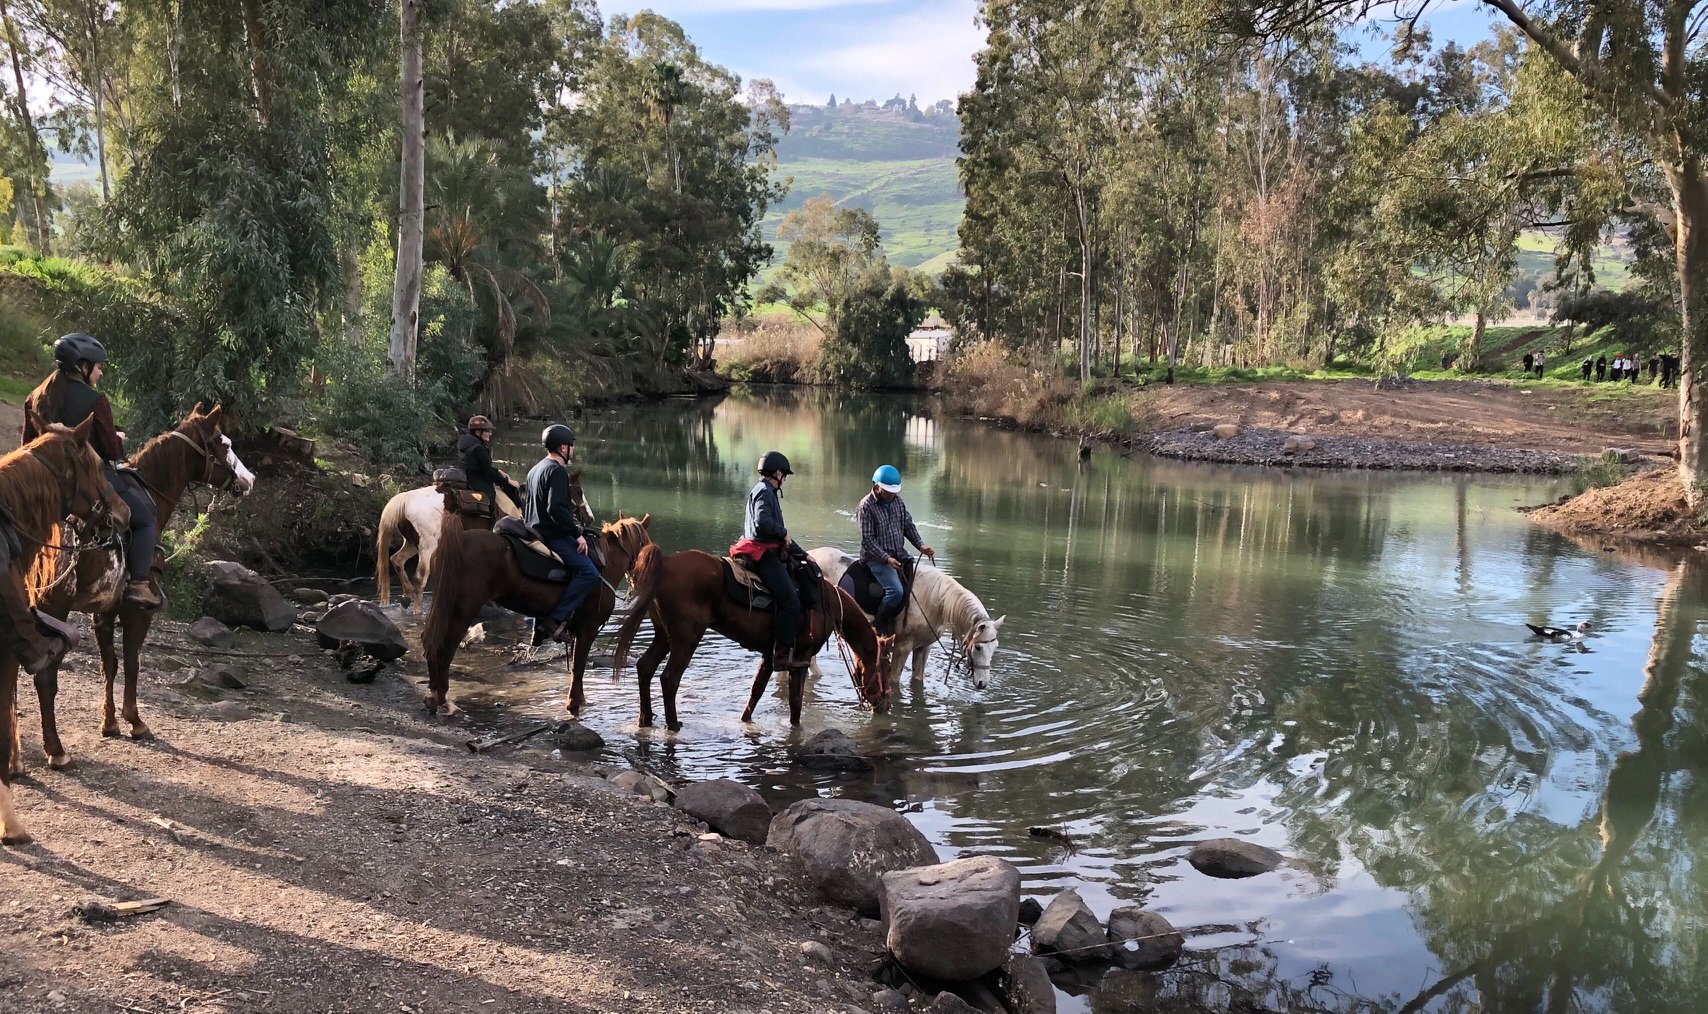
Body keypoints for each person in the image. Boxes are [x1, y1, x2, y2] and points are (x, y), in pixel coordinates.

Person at [21, 333, 159, 609]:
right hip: (88, 480)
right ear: (82, 367)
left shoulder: (35, 396)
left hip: (42, 483)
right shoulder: (96, 401)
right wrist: (118, 438)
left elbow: (26, 446)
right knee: (144, 516)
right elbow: (112, 453)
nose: (101, 370)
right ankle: (139, 584)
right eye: (98, 366)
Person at [522, 424, 599, 642]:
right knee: (589, 573)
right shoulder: (557, 472)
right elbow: (555, 509)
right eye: (571, 446)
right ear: (562, 447)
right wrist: (577, 534)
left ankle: (538, 628)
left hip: (532, 531)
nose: (572, 451)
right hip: (552, 536)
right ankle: (554, 619)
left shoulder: (534, 470)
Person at [730, 451, 803, 668]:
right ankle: (780, 655)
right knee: (791, 602)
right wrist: (782, 532)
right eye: (784, 474)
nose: (785, 479)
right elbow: (762, 522)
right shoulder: (765, 492)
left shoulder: (762, 489)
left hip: (762, 548)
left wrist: (803, 554)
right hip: (762, 553)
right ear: (778, 472)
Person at [857, 465, 935, 636]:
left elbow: (908, 525)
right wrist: (886, 559)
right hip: (875, 559)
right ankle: (879, 625)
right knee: (896, 591)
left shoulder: (897, 502)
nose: (892, 494)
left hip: (898, 554)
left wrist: (921, 546)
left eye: (894, 491)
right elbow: (867, 541)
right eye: (888, 491)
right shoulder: (866, 507)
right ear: (877, 487)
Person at [456, 415, 523, 514]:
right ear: (478, 432)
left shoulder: (466, 443)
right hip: (477, 482)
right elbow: (489, 474)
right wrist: (507, 481)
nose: (490, 434)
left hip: (466, 477)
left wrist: (498, 471)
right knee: (506, 496)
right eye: (487, 431)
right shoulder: (479, 448)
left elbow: (477, 466)